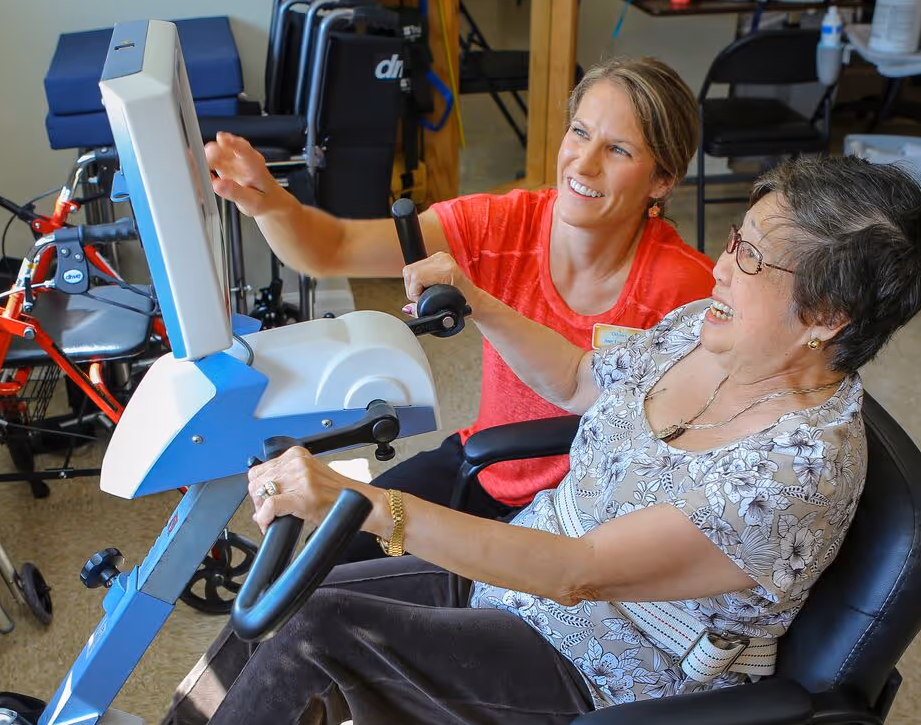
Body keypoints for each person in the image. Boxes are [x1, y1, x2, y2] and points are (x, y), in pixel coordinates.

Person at [0, 155, 921, 725]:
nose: (720, 267)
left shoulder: (791, 473)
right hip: (532, 575)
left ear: (827, 319)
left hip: (608, 672)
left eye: (750, 259)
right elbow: (584, 376)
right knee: (301, 577)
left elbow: (576, 578)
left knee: (322, 631)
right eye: (736, 239)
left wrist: (365, 500)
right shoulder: (710, 335)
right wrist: (483, 302)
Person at [203, 57, 715, 562]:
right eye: (579, 133)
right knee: (327, 558)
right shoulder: (502, 226)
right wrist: (269, 203)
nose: (583, 163)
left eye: (618, 150)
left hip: (581, 514)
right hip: (484, 464)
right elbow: (332, 247)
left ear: (661, 181)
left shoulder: (685, 287)